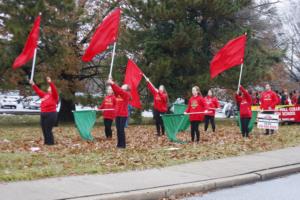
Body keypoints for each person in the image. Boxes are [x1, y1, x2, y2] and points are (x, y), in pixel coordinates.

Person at [29, 77, 59, 145]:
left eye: (50, 87)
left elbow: (54, 90)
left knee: (48, 130)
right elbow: (38, 91)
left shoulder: (54, 96)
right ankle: (46, 143)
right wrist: (33, 84)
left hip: (51, 114)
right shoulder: (45, 95)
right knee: (44, 130)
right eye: (49, 87)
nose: (49, 87)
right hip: (43, 114)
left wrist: (50, 82)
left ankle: (50, 143)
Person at [107, 79, 130, 148]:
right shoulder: (118, 93)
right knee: (118, 130)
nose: (122, 87)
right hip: (117, 114)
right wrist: (111, 83)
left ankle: (123, 145)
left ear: (126, 89)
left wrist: (112, 83)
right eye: (122, 87)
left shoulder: (126, 94)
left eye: (123, 87)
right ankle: (119, 144)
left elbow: (119, 90)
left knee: (121, 130)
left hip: (123, 115)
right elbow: (116, 90)